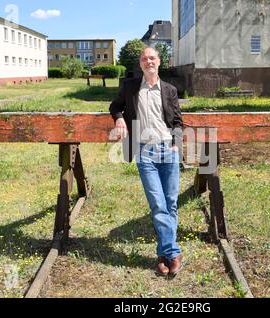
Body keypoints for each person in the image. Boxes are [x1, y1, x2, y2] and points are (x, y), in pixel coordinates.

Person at [109, 47, 183, 276]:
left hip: (167, 150)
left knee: (170, 203)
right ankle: (174, 253)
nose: (148, 61)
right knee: (158, 204)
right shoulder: (131, 87)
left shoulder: (170, 89)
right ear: (141, 64)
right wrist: (119, 119)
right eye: (144, 59)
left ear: (158, 62)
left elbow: (179, 121)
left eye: (152, 58)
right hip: (144, 152)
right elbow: (115, 106)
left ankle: (163, 254)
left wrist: (176, 142)